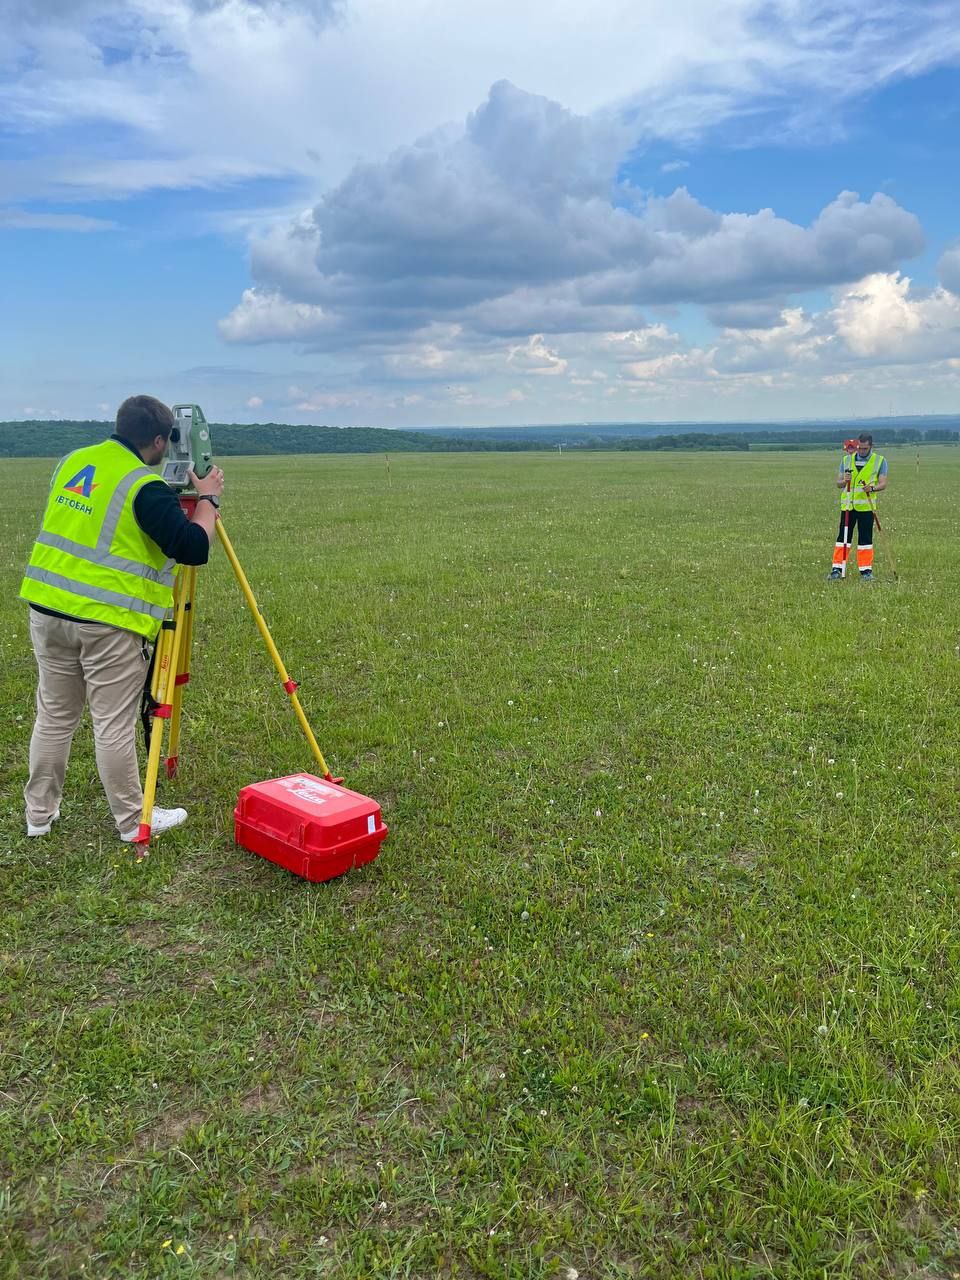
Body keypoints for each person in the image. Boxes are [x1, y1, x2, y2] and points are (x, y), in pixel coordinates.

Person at [19, 395, 225, 841]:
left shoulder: (74, 462)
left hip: (47, 608)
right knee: (112, 723)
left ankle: (39, 816)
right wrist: (207, 500)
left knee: (54, 716)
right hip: (106, 620)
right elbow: (192, 547)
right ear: (157, 440)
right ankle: (133, 821)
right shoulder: (143, 486)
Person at [827, 431, 887, 581]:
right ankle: (837, 569)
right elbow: (838, 483)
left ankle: (866, 571)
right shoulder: (846, 460)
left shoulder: (880, 461)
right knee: (843, 538)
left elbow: (883, 484)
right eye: (860, 448)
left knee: (865, 539)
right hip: (848, 506)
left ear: (871, 446)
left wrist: (872, 488)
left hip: (866, 506)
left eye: (865, 448)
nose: (861, 451)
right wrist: (844, 481)